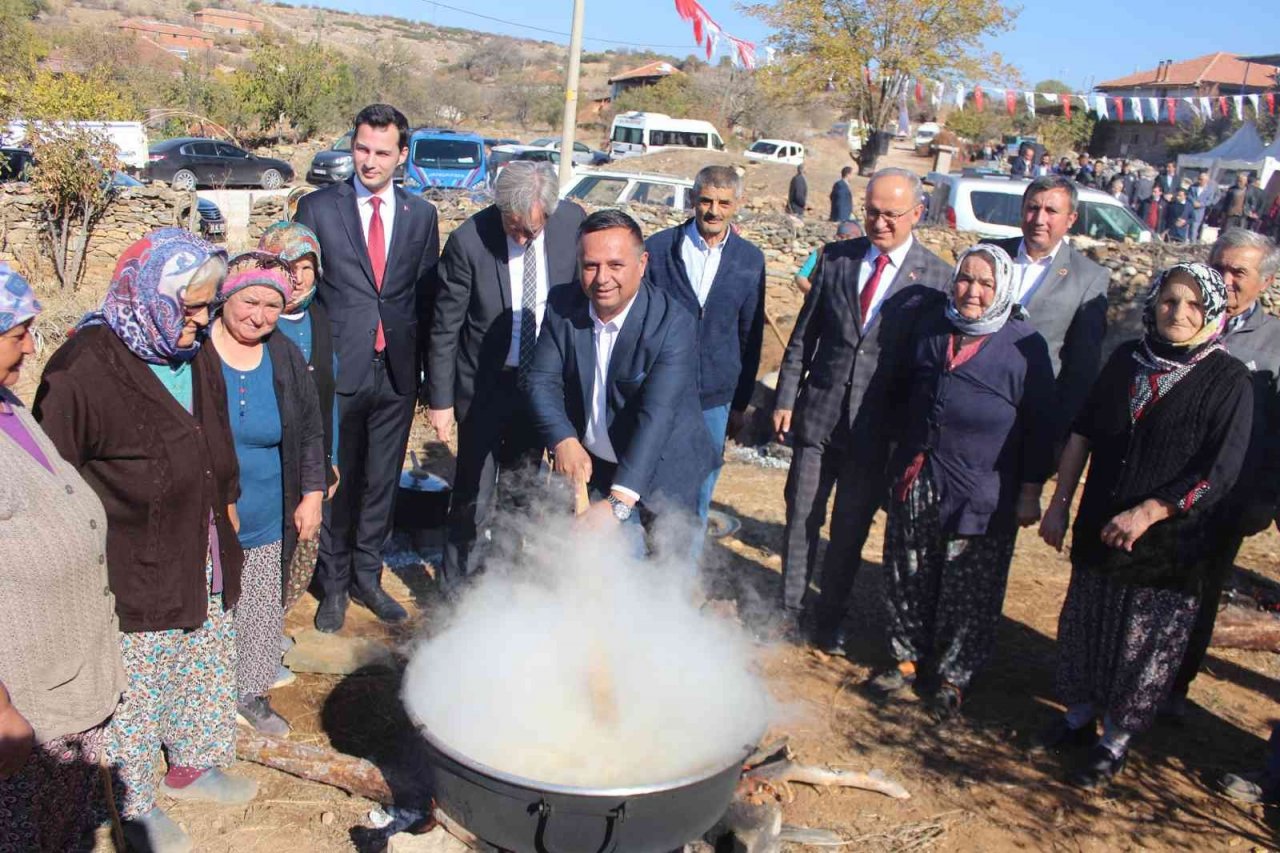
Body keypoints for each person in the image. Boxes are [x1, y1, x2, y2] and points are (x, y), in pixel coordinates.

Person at [34, 229, 257, 851]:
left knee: (201, 656)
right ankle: (132, 804)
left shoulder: (192, 350)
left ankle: (191, 762)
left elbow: (216, 435)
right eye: (190, 308)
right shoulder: (82, 368)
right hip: (132, 559)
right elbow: (50, 477)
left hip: (202, 542)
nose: (202, 320)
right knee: (137, 683)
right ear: (149, 295)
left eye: (208, 308)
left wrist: (229, 505)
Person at [1037, 262, 1252, 789]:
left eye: (1194, 304)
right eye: (1169, 300)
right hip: (1101, 527)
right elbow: (1082, 435)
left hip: (1168, 546)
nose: (1179, 313)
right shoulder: (1125, 361)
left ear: (1213, 312)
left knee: (1141, 646)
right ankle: (1078, 716)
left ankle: (1114, 741)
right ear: (1153, 303)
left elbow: (1219, 472)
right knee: (1087, 623)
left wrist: (1151, 511)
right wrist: (1060, 503)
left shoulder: (1229, 381)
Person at [773, 168, 951, 651]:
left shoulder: (936, 279)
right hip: (819, 416)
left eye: (891, 214)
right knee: (800, 517)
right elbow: (803, 339)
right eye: (871, 211)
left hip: (876, 432)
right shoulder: (835, 259)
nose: (879, 223)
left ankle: (829, 619)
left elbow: (928, 370)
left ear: (917, 214)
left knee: (850, 530)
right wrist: (786, 397)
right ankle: (789, 612)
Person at [874, 245, 1054, 717]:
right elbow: (905, 395)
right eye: (965, 279)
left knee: (969, 586)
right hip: (921, 473)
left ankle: (955, 677)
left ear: (1004, 290)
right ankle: (906, 658)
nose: (973, 292)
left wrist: (1031, 491)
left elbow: (1041, 427)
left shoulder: (1023, 346)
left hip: (981, 488)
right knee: (907, 569)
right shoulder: (935, 329)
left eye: (985, 283)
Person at [294, 104, 441, 633]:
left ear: (403, 155)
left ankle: (367, 577)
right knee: (337, 480)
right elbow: (302, 295)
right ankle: (332, 587)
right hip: (337, 370)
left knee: (381, 481)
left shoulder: (420, 216)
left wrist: (427, 378)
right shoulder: (317, 209)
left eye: (382, 152)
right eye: (362, 149)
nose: (370, 161)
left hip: (397, 372)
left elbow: (426, 299)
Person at [0, 263, 127, 851]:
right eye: (16, 332)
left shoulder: (10, 408)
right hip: (23, 711)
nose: (31, 346)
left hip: (68, 684)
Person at [427, 161, 584, 591]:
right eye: (512, 228)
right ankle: (457, 590)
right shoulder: (468, 241)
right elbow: (445, 327)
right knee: (474, 495)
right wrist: (440, 402)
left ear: (548, 215)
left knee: (521, 491)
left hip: (540, 387)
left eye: (530, 231)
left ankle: (502, 586)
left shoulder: (573, 225)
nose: (520, 238)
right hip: (483, 387)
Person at [522, 209, 715, 548]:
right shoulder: (562, 305)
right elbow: (541, 380)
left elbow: (657, 417)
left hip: (663, 469)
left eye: (615, 265)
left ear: (642, 265)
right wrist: (562, 438)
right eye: (591, 265)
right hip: (595, 465)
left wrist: (619, 503)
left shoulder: (673, 325)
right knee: (593, 568)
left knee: (662, 573)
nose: (602, 278)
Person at [1165, 231, 1280, 717]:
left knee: (1198, 592)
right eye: (1221, 267)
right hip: (1159, 483)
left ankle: (1173, 689)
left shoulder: (1275, 343)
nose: (1228, 280)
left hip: (1225, 498)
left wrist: (1263, 500)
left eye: (1241, 273)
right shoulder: (1179, 314)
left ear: (1266, 282)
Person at [208, 266, 325, 737]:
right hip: (208, 513)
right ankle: (202, 702)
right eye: (249, 302)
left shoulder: (283, 354)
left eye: (272, 306)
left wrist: (312, 493)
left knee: (259, 607)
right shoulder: (196, 352)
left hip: (268, 509)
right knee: (209, 612)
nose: (259, 316)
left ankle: (249, 692)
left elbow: (311, 430)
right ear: (226, 298)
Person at [644, 165, 766, 541]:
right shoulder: (658, 250)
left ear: (737, 205)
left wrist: (740, 402)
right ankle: (642, 570)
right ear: (692, 200)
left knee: (701, 487)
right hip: (661, 389)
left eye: (724, 203)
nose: (714, 211)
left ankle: (683, 580)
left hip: (715, 396)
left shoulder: (750, 260)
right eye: (706, 201)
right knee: (648, 480)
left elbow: (751, 335)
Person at [982, 176, 1110, 442]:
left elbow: (1081, 369)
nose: (1039, 219)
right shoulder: (988, 254)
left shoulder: (1088, 278)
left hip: (1028, 423)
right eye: (1032, 208)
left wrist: (1056, 435)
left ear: (1071, 219)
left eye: (1051, 211)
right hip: (970, 406)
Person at [794, 220, 863, 294]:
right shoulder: (821, 253)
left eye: (849, 238)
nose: (844, 241)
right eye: (841, 237)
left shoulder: (864, 258)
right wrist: (817, 294)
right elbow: (801, 277)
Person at [1188, 171, 1217, 241]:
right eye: (1199, 179)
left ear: (1206, 181)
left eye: (1201, 179)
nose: (1199, 180)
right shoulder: (1193, 187)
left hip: (1199, 212)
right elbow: (1189, 195)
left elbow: (1210, 201)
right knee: (1186, 229)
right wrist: (1193, 202)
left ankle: (1192, 246)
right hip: (1189, 210)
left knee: (1194, 230)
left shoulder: (1210, 190)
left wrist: (1201, 204)